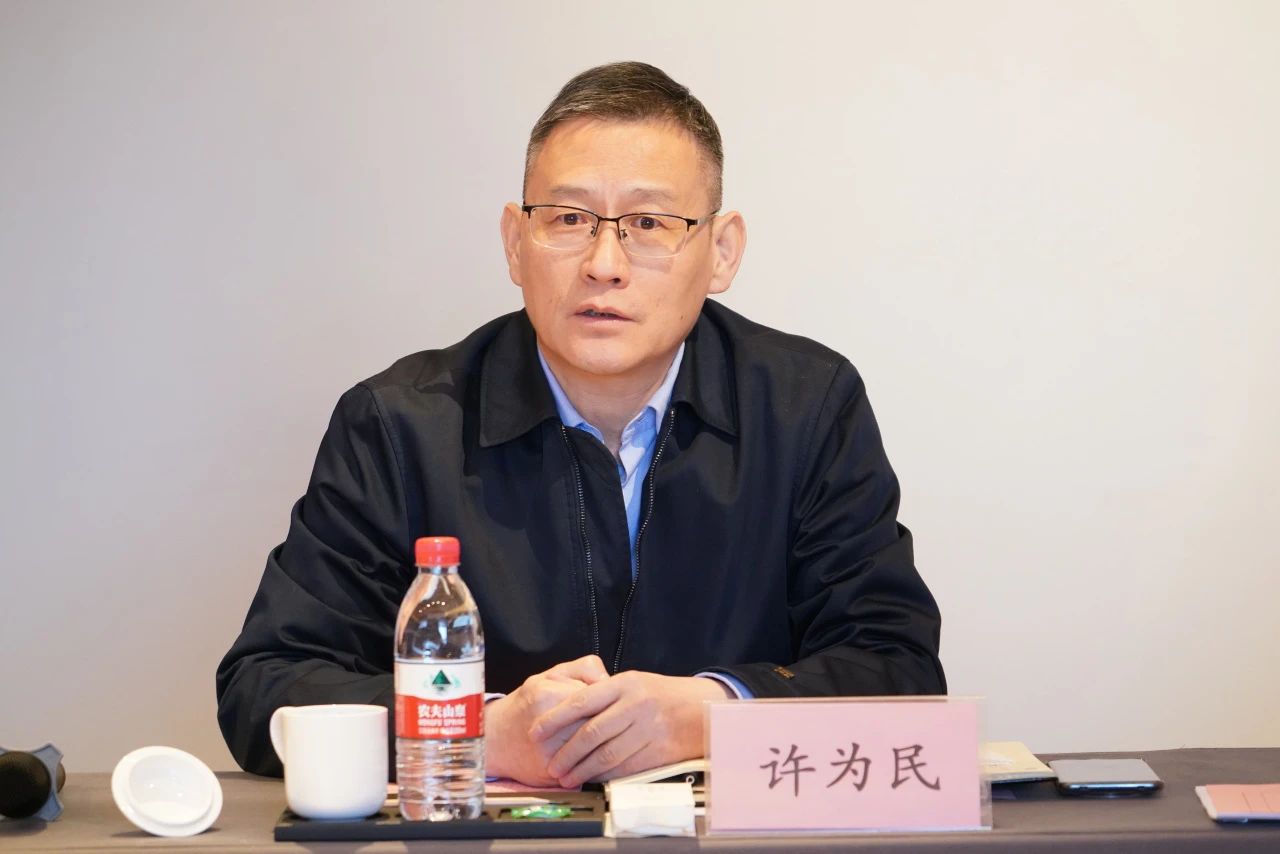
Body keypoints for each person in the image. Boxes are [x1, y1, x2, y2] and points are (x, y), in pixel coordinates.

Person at [216, 61, 945, 788]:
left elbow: (898, 669)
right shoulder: (401, 425)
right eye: (568, 219)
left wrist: (711, 712)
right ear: (515, 241)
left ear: (721, 252)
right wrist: (481, 730)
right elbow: (266, 685)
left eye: (649, 224)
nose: (604, 265)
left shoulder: (805, 407)